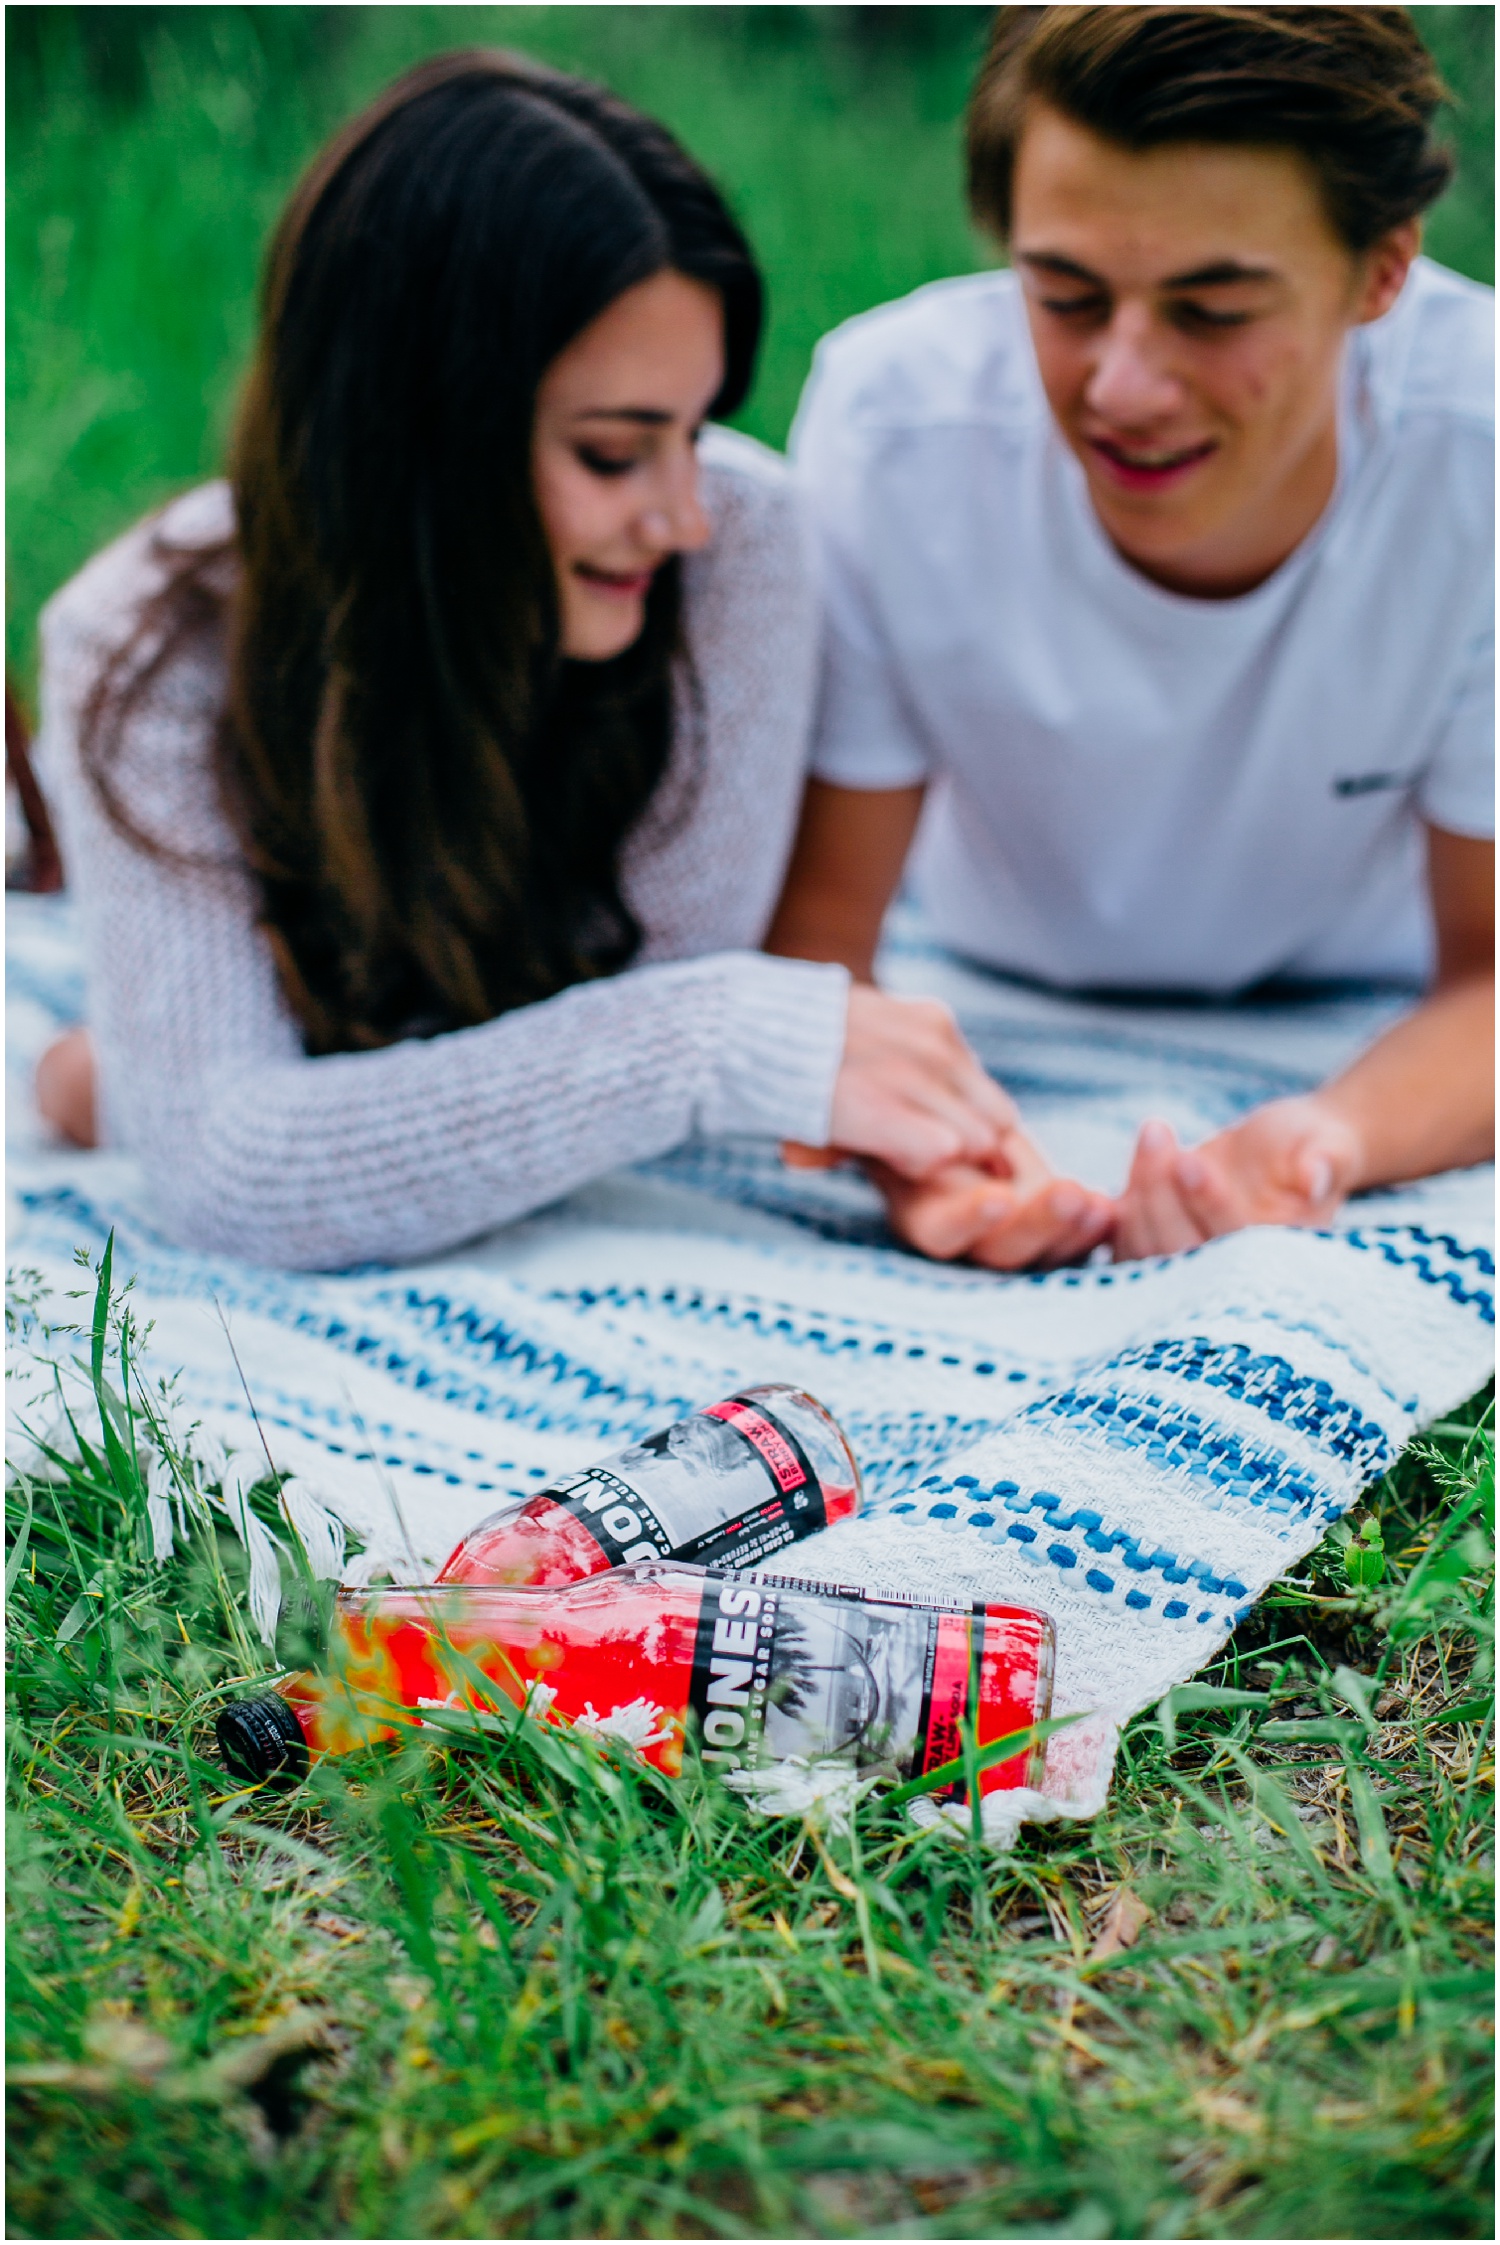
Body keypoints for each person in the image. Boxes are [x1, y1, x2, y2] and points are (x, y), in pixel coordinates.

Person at [32, 50, 1017, 1272]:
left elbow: (672, 974)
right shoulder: (140, 647)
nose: (682, 514)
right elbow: (233, 1175)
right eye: (613, 453)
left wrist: (252, 1094)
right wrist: (710, 1041)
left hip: (377, 1022)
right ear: (412, 444)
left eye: (694, 432)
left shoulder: (741, 549)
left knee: (100, 1079)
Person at [771, 4, 1494, 1267]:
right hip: (1005, 971)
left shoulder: (1478, 449)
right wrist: (923, 1143)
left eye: (1212, 311)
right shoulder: (891, 430)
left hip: (1374, 1006)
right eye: (1065, 296)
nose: (1124, 387)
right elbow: (824, 963)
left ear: (1382, 271)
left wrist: (1328, 1140)